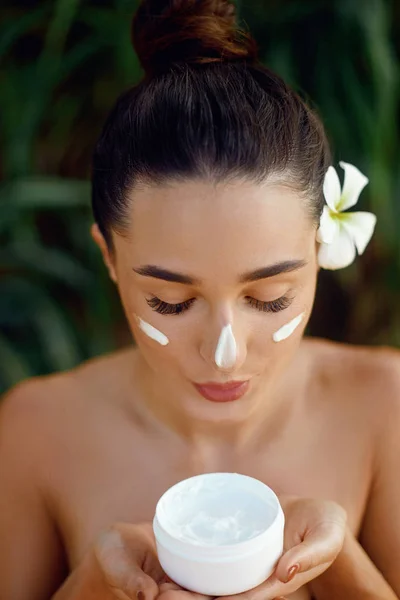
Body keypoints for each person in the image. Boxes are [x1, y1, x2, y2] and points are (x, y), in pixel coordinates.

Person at [0, 1, 399, 599]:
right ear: (109, 258)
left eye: (269, 298)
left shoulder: (383, 406)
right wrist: (96, 579)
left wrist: (339, 561)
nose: (224, 355)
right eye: (169, 302)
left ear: (322, 250)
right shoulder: (39, 430)